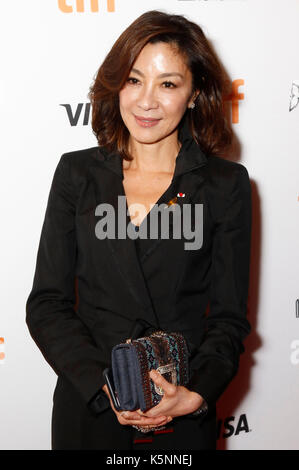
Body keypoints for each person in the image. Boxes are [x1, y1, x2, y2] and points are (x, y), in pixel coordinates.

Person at [26, 10, 252, 450]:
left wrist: (195, 393)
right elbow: (46, 304)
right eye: (134, 80)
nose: (146, 101)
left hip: (183, 411)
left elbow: (228, 318)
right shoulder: (78, 175)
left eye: (168, 83)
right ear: (117, 85)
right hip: (90, 409)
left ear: (194, 94)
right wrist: (104, 384)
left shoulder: (226, 185)